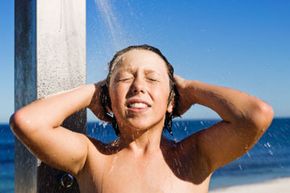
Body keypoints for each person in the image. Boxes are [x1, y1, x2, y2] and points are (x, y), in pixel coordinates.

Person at [10, 45, 274, 193]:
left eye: (152, 78)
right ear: (108, 98)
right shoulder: (93, 158)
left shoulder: (194, 156)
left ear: (171, 100)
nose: (138, 86)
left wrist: (189, 89)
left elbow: (256, 115)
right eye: (124, 78)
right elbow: (27, 123)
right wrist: (93, 93)